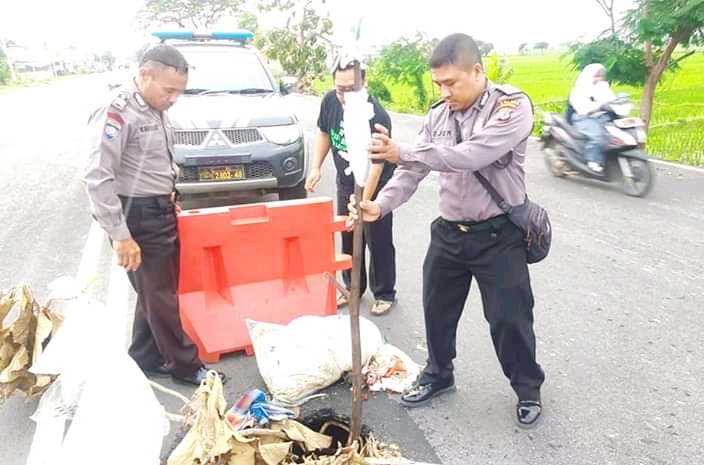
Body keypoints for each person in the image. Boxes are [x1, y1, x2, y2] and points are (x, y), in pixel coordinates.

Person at [347, 33, 545, 428]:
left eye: (451, 82)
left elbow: (470, 156)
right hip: (449, 234)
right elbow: (412, 171)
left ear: (477, 70)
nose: (444, 90)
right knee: (436, 309)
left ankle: (527, 388)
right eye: (438, 84)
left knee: (510, 318)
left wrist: (401, 149)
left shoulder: (511, 107)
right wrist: (380, 205)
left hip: (498, 234)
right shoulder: (438, 115)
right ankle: (439, 373)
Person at [83, 44, 222, 386]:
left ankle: (145, 357)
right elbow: (98, 176)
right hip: (138, 216)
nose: (174, 98)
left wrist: (167, 196)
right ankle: (185, 365)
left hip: (158, 209)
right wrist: (120, 235)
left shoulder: (153, 106)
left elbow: (153, 162)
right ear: (145, 75)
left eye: (179, 91)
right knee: (160, 295)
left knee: (153, 290)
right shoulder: (118, 111)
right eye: (169, 90)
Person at [305, 58, 398, 316]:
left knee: (375, 236)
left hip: (376, 185)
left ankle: (384, 292)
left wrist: (363, 203)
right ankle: (352, 288)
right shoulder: (330, 102)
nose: (344, 95)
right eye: (339, 88)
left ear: (363, 83)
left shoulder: (376, 116)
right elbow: (324, 132)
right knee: (347, 233)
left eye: (350, 88)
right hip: (346, 181)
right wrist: (316, 167)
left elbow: (377, 166)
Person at [568, 62, 616, 173]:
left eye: (600, 76)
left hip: (600, 116)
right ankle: (593, 160)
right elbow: (582, 108)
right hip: (583, 118)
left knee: (612, 135)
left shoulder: (602, 87)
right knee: (597, 136)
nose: (598, 79)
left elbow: (610, 99)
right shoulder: (579, 89)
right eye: (596, 76)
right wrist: (598, 106)